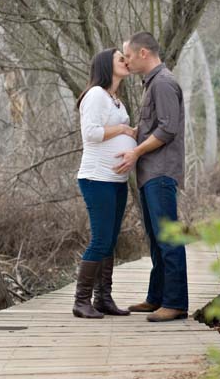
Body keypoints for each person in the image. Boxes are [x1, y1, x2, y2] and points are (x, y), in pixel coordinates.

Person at [114, 32, 188, 322]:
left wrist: (135, 152)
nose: (126, 61)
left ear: (143, 53)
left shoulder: (164, 83)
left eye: (129, 56)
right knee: (156, 239)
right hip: (150, 174)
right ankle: (156, 298)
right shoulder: (152, 85)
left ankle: (176, 303)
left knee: (168, 237)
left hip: (161, 172)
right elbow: (156, 126)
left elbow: (168, 129)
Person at [73, 48, 136, 319]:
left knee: (109, 240)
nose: (126, 61)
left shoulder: (115, 100)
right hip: (97, 177)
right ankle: (81, 301)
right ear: (106, 66)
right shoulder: (96, 95)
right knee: (100, 239)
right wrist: (123, 130)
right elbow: (91, 133)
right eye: (120, 59)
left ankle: (103, 299)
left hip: (116, 179)